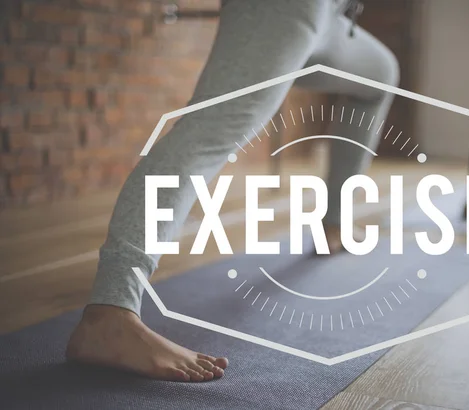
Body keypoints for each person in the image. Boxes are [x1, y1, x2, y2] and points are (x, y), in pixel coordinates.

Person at [66, 0, 399, 382]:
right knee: (209, 133)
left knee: (380, 73)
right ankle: (109, 311)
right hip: (282, 10)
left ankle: (333, 224)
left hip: (332, 19)